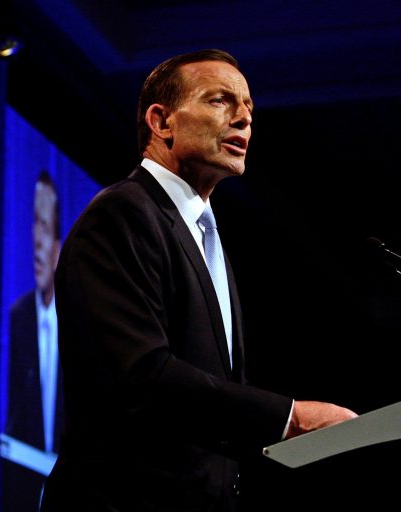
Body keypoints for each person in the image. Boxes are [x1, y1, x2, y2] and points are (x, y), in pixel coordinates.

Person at [38, 49, 357, 512]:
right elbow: (141, 376)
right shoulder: (123, 214)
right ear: (161, 121)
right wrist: (290, 418)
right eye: (220, 101)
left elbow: (212, 402)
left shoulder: (205, 234)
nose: (244, 119)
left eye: (248, 107)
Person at [1, 171, 65, 512]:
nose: (36, 240)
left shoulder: (79, 321)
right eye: (33, 226)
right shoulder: (18, 317)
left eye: (44, 225)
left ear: (58, 246)